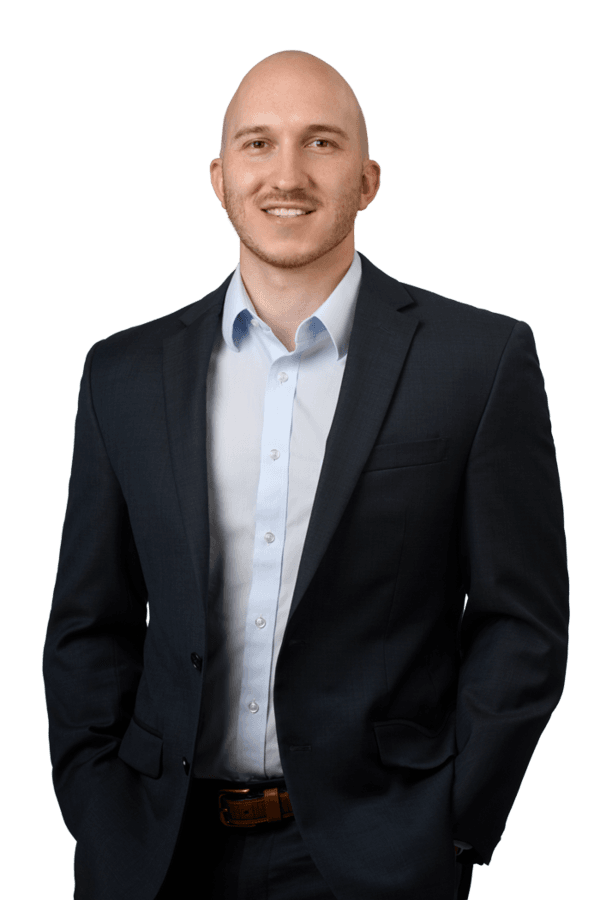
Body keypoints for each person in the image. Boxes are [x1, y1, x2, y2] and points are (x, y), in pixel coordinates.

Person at [42, 49, 569, 900]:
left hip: (378, 858)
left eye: (321, 143)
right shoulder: (122, 373)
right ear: (219, 179)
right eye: (258, 143)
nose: (286, 174)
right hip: (155, 854)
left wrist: (452, 823)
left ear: (368, 180)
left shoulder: (479, 362)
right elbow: (88, 622)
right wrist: (97, 805)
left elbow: (524, 624)